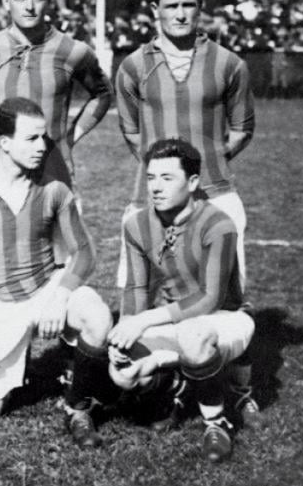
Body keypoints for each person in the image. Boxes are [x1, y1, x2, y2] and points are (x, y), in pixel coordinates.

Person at [114, 0, 258, 419]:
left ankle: (239, 389)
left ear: (201, 8)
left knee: (227, 296)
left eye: (188, 5)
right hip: (152, 197)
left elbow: (241, 128)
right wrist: (167, 180)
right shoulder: (134, 65)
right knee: (145, 290)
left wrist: (203, 169)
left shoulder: (229, 63)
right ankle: (166, 382)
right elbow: (132, 133)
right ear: (154, 10)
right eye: (170, 6)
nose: (180, 14)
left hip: (215, 193)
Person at [0, 98, 114, 446]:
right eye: (31, 138)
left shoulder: (54, 189)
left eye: (44, 138)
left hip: (45, 290)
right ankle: (8, 369)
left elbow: (84, 254)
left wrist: (61, 295)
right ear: (4, 142)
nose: (42, 147)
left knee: (97, 317)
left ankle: (77, 406)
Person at [107, 138, 254, 463]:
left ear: (192, 182)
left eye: (167, 178)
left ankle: (217, 422)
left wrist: (143, 321)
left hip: (223, 318)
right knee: (123, 372)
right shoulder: (136, 224)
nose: (156, 187)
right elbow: (136, 289)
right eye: (150, 178)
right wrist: (124, 330)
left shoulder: (218, 223)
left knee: (194, 337)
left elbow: (210, 298)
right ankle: (174, 386)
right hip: (176, 320)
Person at [0, 0, 111, 184]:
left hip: (53, 170)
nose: (30, 6)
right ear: (6, 2)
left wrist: (71, 136)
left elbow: (102, 94)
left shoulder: (73, 50)